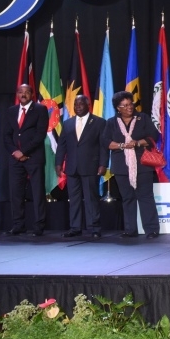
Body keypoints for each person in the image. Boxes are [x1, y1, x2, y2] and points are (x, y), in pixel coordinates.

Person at [105, 90, 162, 238]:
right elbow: (106, 142)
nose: (129, 107)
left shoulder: (142, 118)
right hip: (121, 165)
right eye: (124, 105)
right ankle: (130, 229)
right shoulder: (111, 122)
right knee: (127, 197)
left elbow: (153, 136)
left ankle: (152, 229)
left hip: (142, 163)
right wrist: (123, 146)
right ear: (118, 108)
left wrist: (137, 143)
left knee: (145, 196)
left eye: (130, 104)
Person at [55, 95, 107, 238]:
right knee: (74, 199)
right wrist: (58, 163)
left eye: (81, 104)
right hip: (72, 167)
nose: (78, 106)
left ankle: (94, 227)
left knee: (91, 198)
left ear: (88, 105)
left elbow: (103, 146)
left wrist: (103, 164)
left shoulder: (98, 122)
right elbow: (62, 146)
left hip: (91, 166)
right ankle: (75, 227)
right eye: (75, 104)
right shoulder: (67, 123)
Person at [2, 84, 49, 236]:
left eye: (27, 92)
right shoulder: (11, 111)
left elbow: (40, 134)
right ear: (17, 94)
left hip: (33, 157)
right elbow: (7, 135)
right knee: (16, 192)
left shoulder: (40, 109)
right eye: (21, 92)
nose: (23, 95)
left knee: (37, 192)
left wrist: (24, 151)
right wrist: (15, 152)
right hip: (15, 159)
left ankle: (39, 225)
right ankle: (18, 224)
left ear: (32, 94)